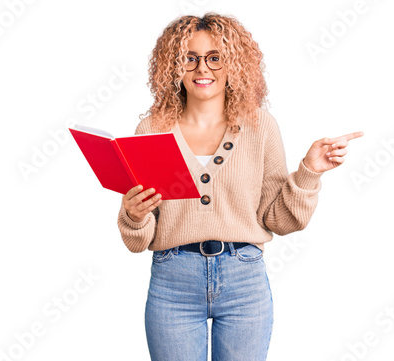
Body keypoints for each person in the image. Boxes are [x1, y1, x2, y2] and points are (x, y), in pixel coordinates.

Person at [117, 12, 363, 361]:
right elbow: (138, 239)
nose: (203, 69)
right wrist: (133, 214)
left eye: (215, 58)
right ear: (173, 66)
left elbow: (278, 220)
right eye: (190, 58)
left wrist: (309, 171)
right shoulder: (152, 129)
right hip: (172, 281)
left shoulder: (260, 125)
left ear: (233, 64)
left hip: (244, 279)